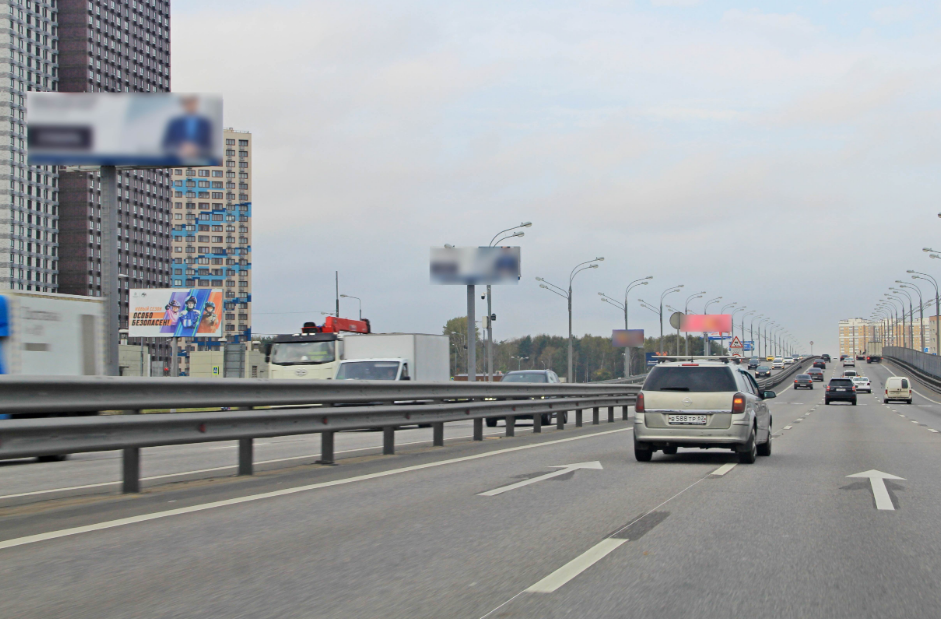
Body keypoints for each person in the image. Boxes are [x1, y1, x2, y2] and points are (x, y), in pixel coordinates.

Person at [162, 96, 213, 160]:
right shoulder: (174, 123)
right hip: (177, 160)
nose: (190, 105)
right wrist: (179, 150)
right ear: (183, 105)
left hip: (199, 160)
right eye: (187, 103)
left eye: (192, 102)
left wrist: (197, 150)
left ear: (196, 103)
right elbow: (166, 145)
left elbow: (209, 146)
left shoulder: (205, 123)